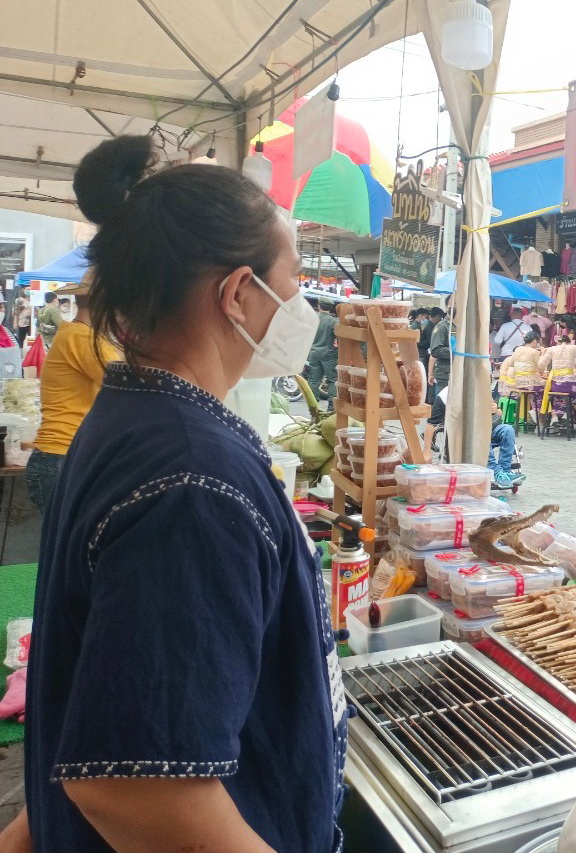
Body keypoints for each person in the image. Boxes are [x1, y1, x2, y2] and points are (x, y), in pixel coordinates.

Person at [1, 135, 345, 852]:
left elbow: (101, 700)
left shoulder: (135, 413)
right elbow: (134, 786)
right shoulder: (194, 479)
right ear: (239, 293)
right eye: (294, 279)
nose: (301, 304)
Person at [24, 280, 120, 510]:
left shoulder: (77, 335)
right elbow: (131, 384)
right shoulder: (83, 338)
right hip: (62, 459)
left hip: (60, 458)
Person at [303, 298, 338, 407]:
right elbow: (339, 336)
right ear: (330, 308)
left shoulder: (312, 319)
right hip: (329, 354)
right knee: (332, 380)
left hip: (313, 353)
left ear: (319, 306)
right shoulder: (333, 321)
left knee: (313, 380)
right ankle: (331, 406)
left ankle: (313, 406)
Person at [489, 398, 526, 488]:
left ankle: (505, 471)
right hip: (476, 432)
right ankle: (498, 472)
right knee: (482, 437)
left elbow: (499, 413)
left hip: (492, 428)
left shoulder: (484, 390)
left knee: (508, 429)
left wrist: (495, 409)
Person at [428, 303, 454, 430]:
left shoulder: (461, 327)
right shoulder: (442, 327)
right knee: (442, 407)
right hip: (445, 374)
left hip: (457, 373)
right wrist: (455, 352)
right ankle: (431, 434)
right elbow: (435, 350)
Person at [499, 329, 545, 393]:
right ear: (534, 340)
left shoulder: (517, 349)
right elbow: (541, 369)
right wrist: (542, 354)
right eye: (537, 342)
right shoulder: (535, 352)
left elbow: (512, 364)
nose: (537, 344)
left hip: (518, 382)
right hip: (530, 382)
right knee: (545, 387)